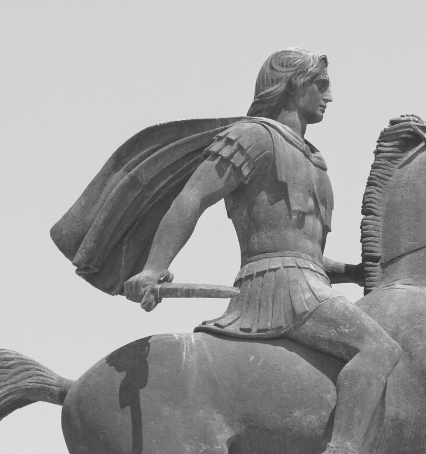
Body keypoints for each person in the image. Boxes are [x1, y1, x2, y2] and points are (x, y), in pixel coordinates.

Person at [124, 48, 402, 454]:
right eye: (321, 85)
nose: (329, 96)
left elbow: (303, 250)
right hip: (279, 287)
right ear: (292, 86)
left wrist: (352, 271)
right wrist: (154, 268)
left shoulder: (314, 160)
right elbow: (193, 197)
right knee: (379, 348)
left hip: (307, 282)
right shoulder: (254, 137)